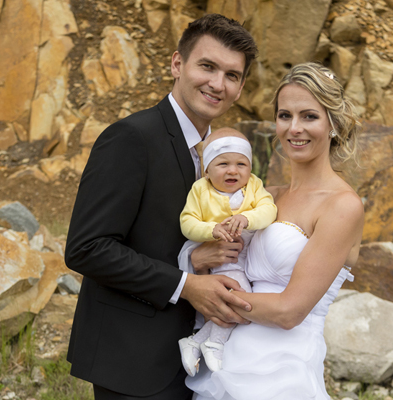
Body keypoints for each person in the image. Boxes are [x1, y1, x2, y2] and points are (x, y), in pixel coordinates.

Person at [63, 14, 258, 400]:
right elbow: (87, 248)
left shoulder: (223, 157)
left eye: (232, 75)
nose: (218, 84)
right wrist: (187, 285)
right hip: (133, 360)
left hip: (196, 362)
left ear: (240, 88)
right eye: (207, 66)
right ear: (177, 64)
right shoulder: (131, 138)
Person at [185, 63, 365, 399]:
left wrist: (211, 295)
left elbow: (288, 311)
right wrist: (198, 260)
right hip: (230, 359)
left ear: (333, 124)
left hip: (283, 370)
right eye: (285, 115)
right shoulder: (267, 196)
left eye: (309, 116)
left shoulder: (342, 206)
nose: (294, 128)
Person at [177, 128, 277, 376]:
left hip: (245, 257)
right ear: (207, 170)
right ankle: (215, 343)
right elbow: (187, 222)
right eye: (223, 164)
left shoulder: (254, 185)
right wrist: (211, 230)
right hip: (221, 257)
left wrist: (247, 217)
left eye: (241, 164)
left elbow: (269, 209)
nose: (233, 171)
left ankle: (196, 341)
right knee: (240, 298)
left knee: (232, 301)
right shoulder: (201, 190)